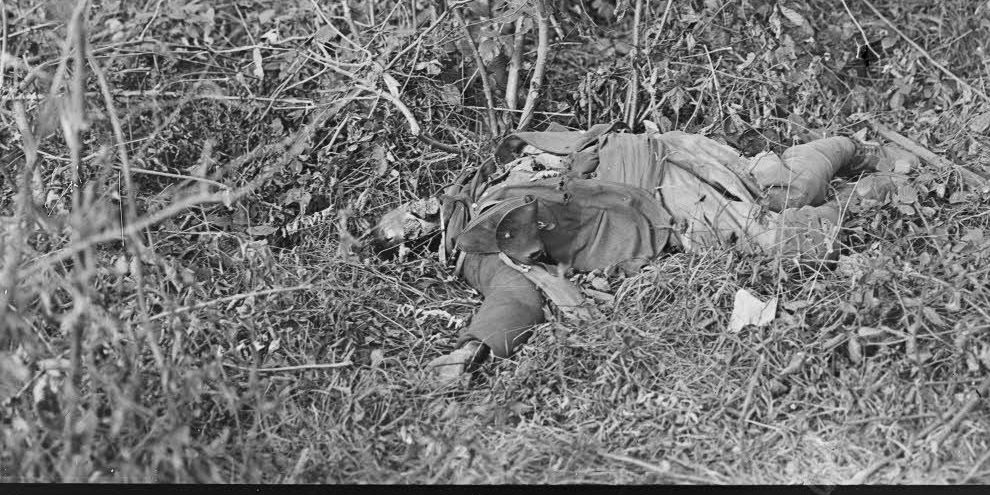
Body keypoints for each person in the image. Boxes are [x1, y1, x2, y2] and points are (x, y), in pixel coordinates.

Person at [368, 122, 903, 383]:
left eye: (405, 211)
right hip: (663, 205)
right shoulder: (480, 253)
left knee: (779, 202)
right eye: (403, 228)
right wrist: (472, 349)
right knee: (778, 217)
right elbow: (514, 300)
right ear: (416, 242)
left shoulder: (494, 187)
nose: (412, 214)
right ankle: (869, 185)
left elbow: (568, 159)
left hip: (657, 166)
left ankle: (858, 153)